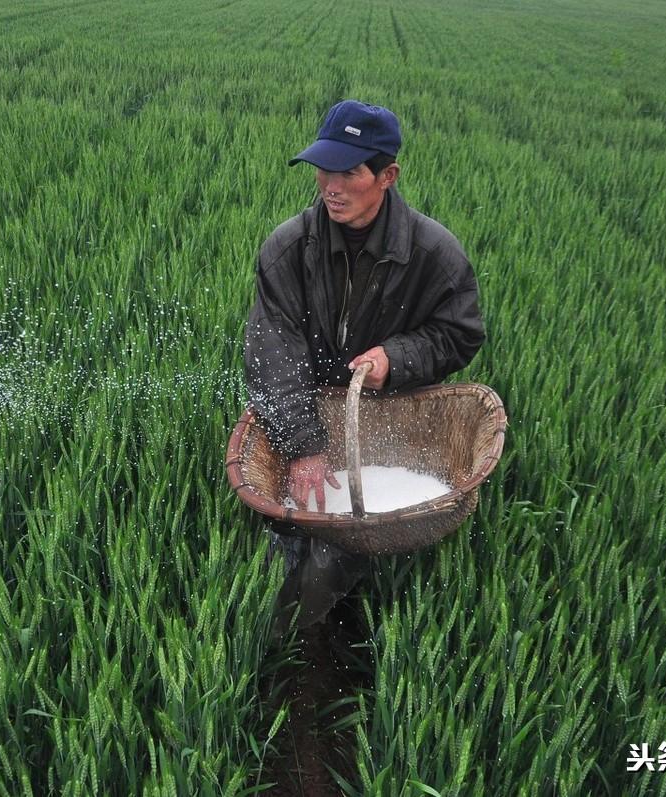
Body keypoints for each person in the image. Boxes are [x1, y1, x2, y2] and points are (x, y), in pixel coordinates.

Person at [243, 100, 486, 634]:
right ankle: (262, 616)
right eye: (324, 169)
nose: (331, 185)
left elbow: (459, 334)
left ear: (387, 176)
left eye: (349, 171)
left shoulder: (434, 255)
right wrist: (304, 446)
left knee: (335, 555)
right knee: (286, 530)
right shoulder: (288, 249)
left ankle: (292, 632)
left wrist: (394, 359)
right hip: (304, 409)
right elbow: (272, 348)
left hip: (387, 421)